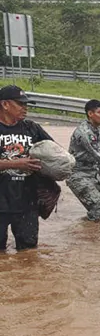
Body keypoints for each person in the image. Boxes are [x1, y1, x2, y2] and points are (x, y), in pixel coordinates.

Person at [0, 85, 52, 251]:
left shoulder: (32, 128)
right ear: (5, 104)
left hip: (27, 202)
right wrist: (16, 164)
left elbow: (54, 154)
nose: (25, 108)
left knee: (28, 255)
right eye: (20, 104)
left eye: (26, 104)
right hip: (1, 201)